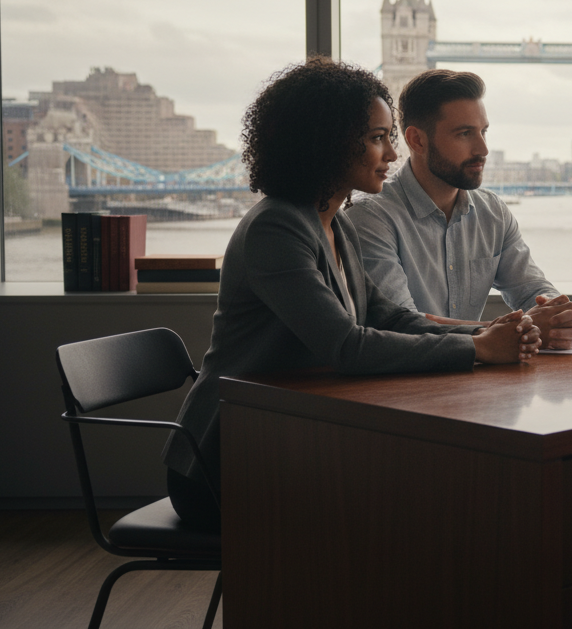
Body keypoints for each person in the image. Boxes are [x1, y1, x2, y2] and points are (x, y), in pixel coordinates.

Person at [162, 58, 541, 532]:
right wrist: (479, 348)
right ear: (329, 142)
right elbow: (346, 346)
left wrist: (489, 330)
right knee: (423, 500)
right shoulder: (276, 227)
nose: (393, 153)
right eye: (378, 137)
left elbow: (387, 317)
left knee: (439, 492)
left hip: (292, 438)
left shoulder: (335, 220)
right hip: (226, 462)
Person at [348, 69, 572, 349]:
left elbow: (531, 290)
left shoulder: (493, 212)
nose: (483, 149)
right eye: (465, 134)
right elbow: (401, 325)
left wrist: (557, 315)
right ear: (417, 141)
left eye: (483, 131)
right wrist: (520, 330)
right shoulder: (369, 218)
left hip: (476, 380)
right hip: (405, 385)